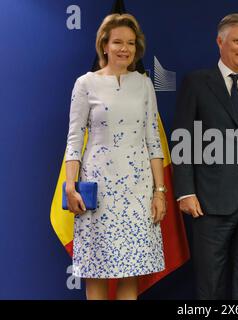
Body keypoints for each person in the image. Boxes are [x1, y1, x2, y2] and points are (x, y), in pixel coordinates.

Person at [172, 13, 238, 299]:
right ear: (220, 42)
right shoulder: (196, 82)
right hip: (209, 200)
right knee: (210, 282)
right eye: (237, 41)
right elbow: (183, 140)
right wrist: (185, 192)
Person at [64, 13, 167, 300]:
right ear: (104, 46)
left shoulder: (144, 83)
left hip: (138, 190)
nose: (125, 48)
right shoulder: (85, 84)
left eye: (131, 43)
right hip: (97, 189)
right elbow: (74, 141)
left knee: (130, 270)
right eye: (118, 42)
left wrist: (159, 192)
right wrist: (70, 187)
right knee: (95, 270)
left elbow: (153, 141)